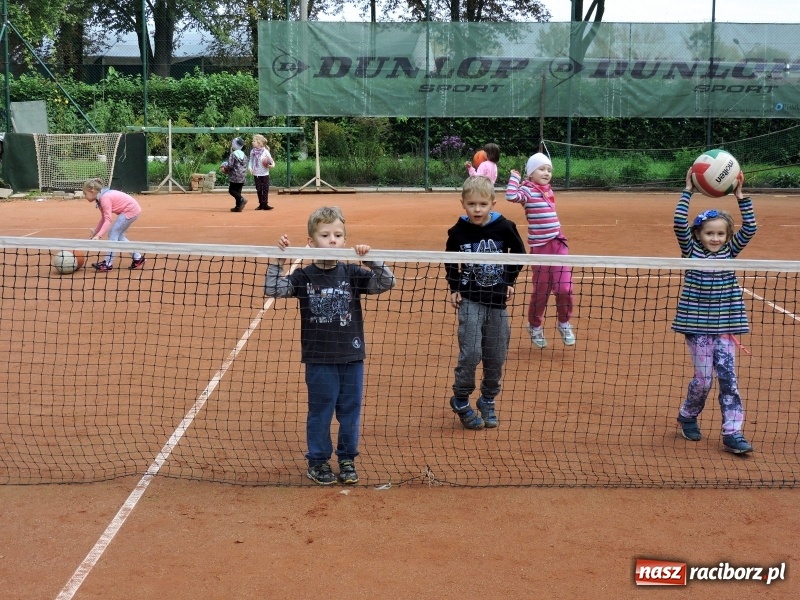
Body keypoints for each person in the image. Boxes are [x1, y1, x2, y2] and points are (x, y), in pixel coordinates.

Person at [264, 206, 396, 484]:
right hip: (319, 358)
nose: (333, 240)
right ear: (311, 242)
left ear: (345, 240)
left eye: (338, 235)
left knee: (350, 412)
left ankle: (347, 459)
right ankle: (318, 461)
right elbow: (273, 289)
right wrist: (276, 261)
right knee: (321, 411)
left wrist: (371, 259)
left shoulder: (352, 273)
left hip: (352, 356)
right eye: (325, 235)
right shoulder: (303, 276)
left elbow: (387, 282)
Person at [673, 169, 757, 454]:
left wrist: (740, 196)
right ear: (698, 234)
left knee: (728, 379)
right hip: (696, 327)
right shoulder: (691, 252)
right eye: (709, 233)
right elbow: (678, 224)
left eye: (721, 233)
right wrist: (688, 190)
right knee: (704, 380)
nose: (716, 238)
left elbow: (750, 228)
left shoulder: (729, 252)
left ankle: (733, 432)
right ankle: (687, 415)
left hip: (725, 327)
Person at [445, 176, 526, 430]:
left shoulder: (505, 227)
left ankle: (488, 399)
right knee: (470, 353)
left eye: (482, 204)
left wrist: (510, 280)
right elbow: (450, 261)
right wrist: (454, 288)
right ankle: (460, 398)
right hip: (470, 300)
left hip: (498, 302)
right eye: (471, 204)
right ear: (463, 204)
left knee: (496, 355)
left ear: (492, 203)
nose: (477, 209)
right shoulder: (457, 232)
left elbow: (520, 254)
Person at [506, 152, 575, 349]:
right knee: (541, 292)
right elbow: (511, 195)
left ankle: (564, 322)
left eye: (549, 170)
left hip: (558, 242)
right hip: (540, 248)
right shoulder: (527, 191)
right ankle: (534, 326)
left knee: (565, 288)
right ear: (530, 173)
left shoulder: (547, 189)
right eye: (542, 169)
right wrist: (514, 177)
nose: (547, 173)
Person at [84, 178, 145, 272]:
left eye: (85, 194)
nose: (84, 196)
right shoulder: (100, 199)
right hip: (131, 210)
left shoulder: (104, 198)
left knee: (113, 233)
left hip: (130, 210)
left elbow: (108, 219)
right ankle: (138, 258)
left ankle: (108, 264)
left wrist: (99, 236)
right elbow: (104, 218)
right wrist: (95, 231)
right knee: (119, 236)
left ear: (92, 192)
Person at [248, 134, 275, 211]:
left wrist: (271, 165)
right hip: (256, 173)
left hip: (265, 173)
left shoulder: (265, 151)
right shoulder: (252, 152)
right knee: (259, 189)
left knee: (265, 189)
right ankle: (261, 204)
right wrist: (250, 168)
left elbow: (272, 161)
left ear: (259, 142)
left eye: (254, 141)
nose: (252, 142)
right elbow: (251, 161)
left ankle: (265, 204)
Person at [222, 137, 248, 212]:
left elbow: (230, 165)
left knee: (231, 190)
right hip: (242, 176)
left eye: (233, 143)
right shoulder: (244, 155)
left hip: (235, 176)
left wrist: (224, 167)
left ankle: (241, 199)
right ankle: (238, 207)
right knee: (238, 191)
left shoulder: (233, 154)